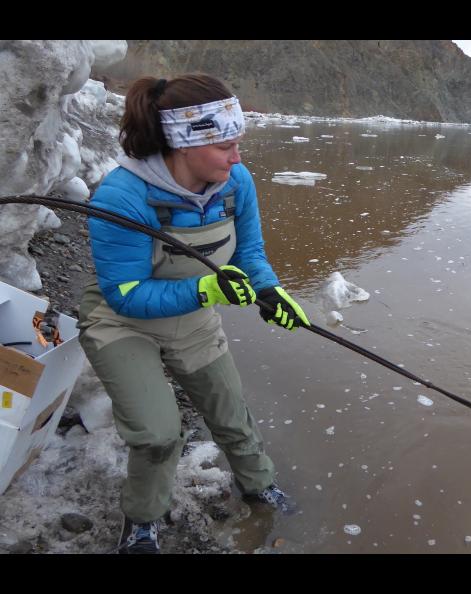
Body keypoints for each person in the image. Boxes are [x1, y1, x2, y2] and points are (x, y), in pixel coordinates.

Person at [77, 74, 309, 554]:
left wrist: (270, 291)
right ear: (184, 144)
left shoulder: (235, 181)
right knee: (158, 435)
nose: (238, 157)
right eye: (226, 145)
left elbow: (250, 253)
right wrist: (206, 288)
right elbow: (125, 294)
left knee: (231, 413)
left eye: (238, 143)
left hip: (193, 319)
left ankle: (258, 484)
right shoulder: (121, 196)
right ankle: (142, 521)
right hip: (122, 324)